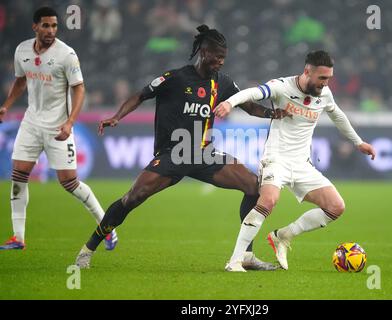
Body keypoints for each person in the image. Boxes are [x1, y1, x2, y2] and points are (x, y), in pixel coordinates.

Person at [75, 25, 288, 270]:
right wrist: (117, 117)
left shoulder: (223, 83)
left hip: (203, 153)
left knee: (253, 186)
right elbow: (140, 95)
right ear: (203, 52)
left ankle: (246, 256)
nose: (220, 62)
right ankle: (88, 249)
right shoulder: (175, 78)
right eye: (216, 56)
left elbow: (249, 107)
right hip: (173, 154)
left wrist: (274, 113)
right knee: (133, 198)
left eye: (223, 58)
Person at [215, 50, 376, 272]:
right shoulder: (282, 86)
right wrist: (230, 103)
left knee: (336, 207)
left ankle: (283, 236)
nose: (325, 83)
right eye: (322, 78)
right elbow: (252, 93)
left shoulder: (325, 93)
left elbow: (338, 115)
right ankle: (235, 261)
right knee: (268, 201)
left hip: (302, 164)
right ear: (307, 71)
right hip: (276, 159)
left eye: (329, 78)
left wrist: (358, 143)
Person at [0, 7, 118, 250]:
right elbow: (21, 81)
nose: (51, 30)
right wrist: (6, 105)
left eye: (54, 26)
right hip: (31, 122)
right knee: (19, 174)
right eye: (46, 25)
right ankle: (18, 237)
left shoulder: (66, 54)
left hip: (58, 126)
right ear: (35, 27)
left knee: (69, 183)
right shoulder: (22, 50)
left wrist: (70, 122)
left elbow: (79, 88)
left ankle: (108, 228)